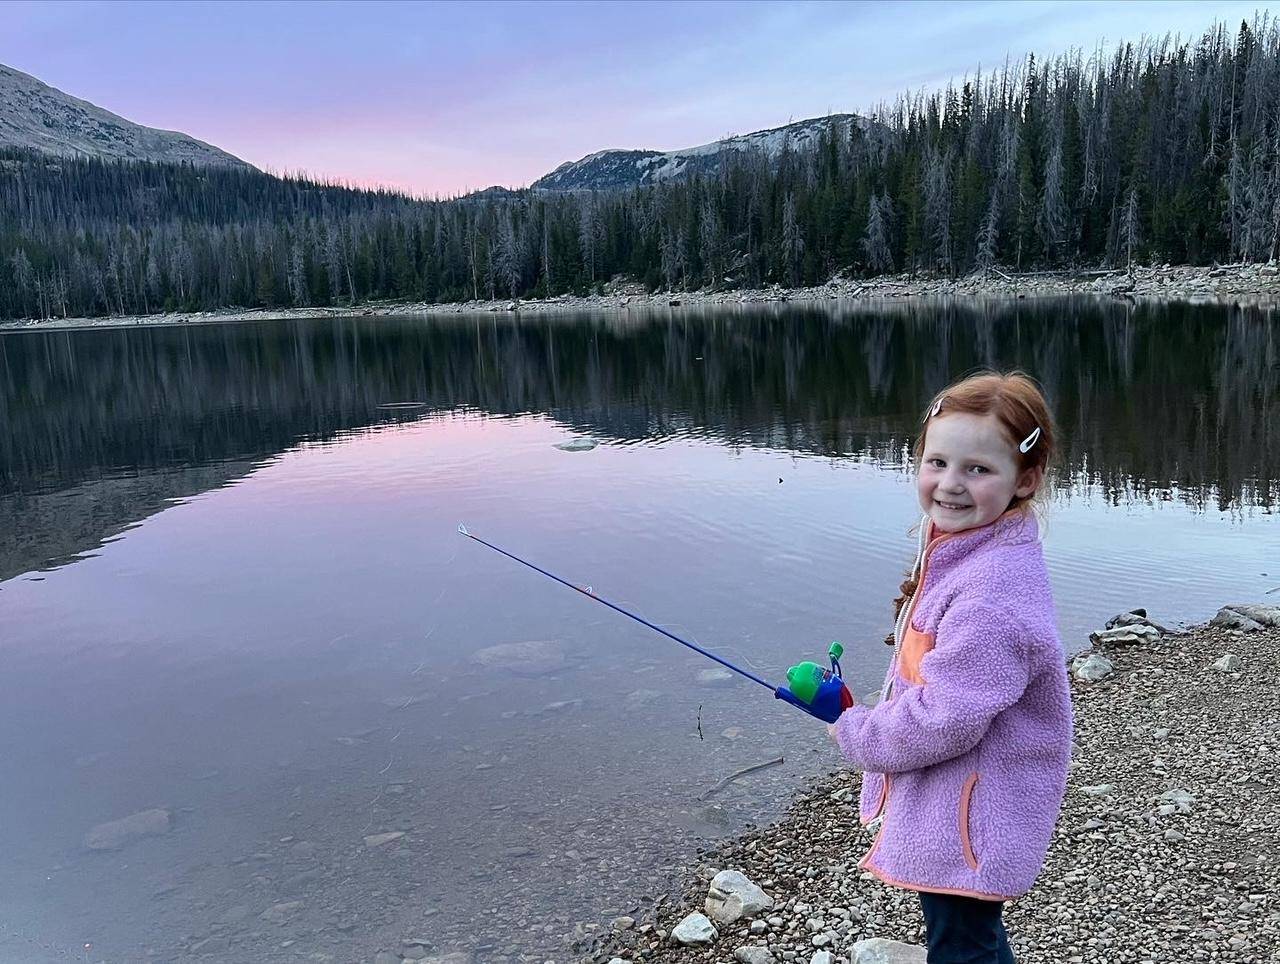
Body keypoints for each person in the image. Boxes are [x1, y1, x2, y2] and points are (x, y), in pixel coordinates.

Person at [827, 371, 1073, 964]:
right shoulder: (962, 550)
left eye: (978, 469)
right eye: (937, 462)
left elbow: (944, 719)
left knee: (961, 944)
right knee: (969, 933)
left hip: (972, 815)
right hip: (960, 804)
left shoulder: (992, 594)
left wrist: (857, 730)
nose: (951, 485)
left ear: (1026, 479)